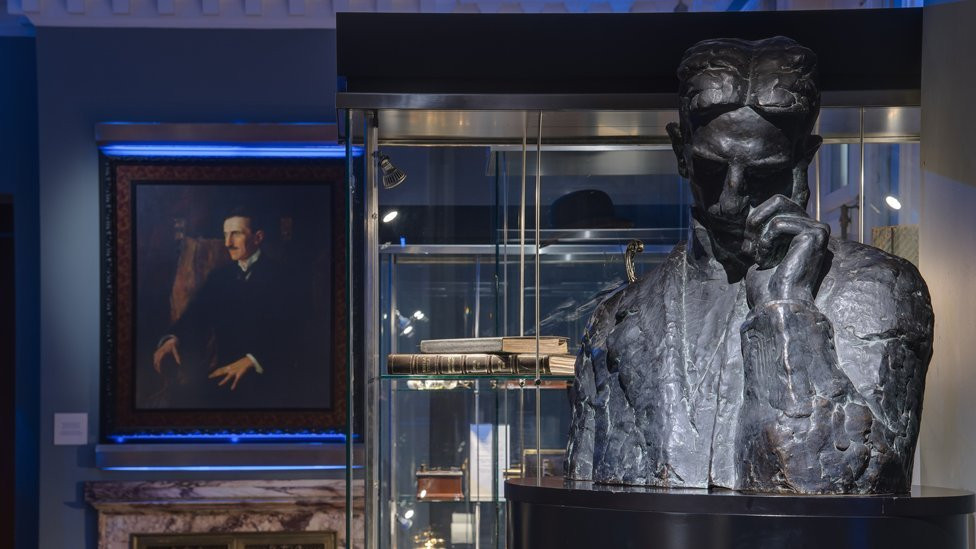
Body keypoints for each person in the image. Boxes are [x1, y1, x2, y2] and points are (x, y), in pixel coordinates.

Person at [565, 37, 933, 494]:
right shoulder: (612, 321)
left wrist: (786, 313)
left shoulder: (880, 292)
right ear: (681, 152)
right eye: (712, 169)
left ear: (803, 159)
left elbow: (844, 494)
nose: (732, 199)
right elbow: (585, 499)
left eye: (762, 172)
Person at [153, 206, 298, 399]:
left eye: (236, 234)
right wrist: (173, 338)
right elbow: (196, 315)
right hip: (226, 378)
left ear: (258, 237)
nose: (228, 243)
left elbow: (294, 332)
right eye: (225, 235)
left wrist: (253, 360)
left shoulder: (283, 277)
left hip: (271, 378)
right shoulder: (219, 277)